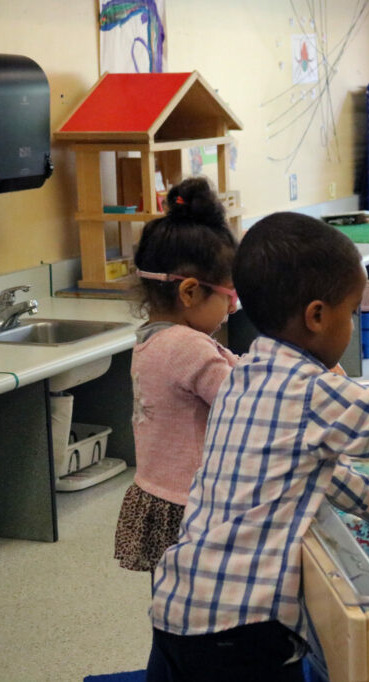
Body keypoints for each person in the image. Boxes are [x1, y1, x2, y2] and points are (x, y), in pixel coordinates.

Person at [146, 212, 369, 682]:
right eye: (350, 314)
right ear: (317, 316)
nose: (351, 325)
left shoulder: (245, 372)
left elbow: (317, 469)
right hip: (243, 629)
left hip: (179, 606)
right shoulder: (313, 390)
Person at [114, 177, 239, 573]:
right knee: (204, 599)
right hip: (193, 499)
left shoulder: (154, 340)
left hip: (161, 493)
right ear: (189, 292)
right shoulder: (187, 347)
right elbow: (242, 402)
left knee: (173, 594)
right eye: (229, 296)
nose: (233, 309)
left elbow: (223, 371)